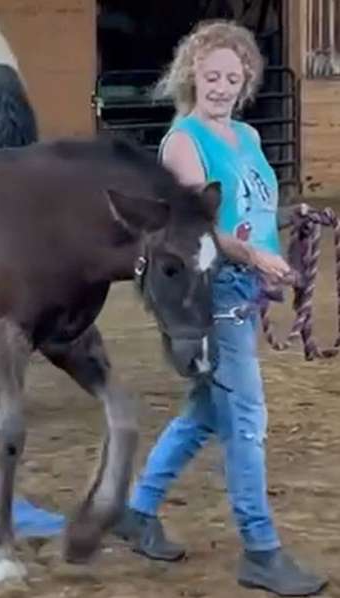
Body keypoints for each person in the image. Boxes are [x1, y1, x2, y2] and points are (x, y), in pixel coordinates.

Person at [114, 20, 328, 597]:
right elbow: (199, 230)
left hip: (248, 287)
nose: (220, 87)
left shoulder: (249, 138)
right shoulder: (183, 142)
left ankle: (137, 511)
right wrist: (254, 256)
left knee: (209, 411)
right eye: (211, 76)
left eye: (232, 78)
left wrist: (288, 221)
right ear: (192, 75)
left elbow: (251, 210)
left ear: (246, 81)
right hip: (215, 295)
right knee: (246, 421)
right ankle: (261, 551)